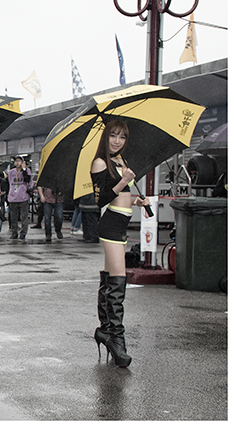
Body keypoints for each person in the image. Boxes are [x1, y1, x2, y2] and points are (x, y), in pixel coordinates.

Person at [90, 120, 148, 368]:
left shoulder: (121, 161)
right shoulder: (100, 162)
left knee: (108, 279)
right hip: (111, 224)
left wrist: (137, 202)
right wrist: (124, 181)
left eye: (122, 137)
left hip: (122, 222)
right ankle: (117, 339)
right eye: (113, 136)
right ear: (105, 137)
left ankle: (105, 330)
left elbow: (122, 196)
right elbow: (101, 198)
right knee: (118, 280)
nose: (117, 141)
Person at [6, 156, 32, 240]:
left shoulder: (27, 171)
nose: (17, 163)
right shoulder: (11, 172)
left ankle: (23, 233)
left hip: (23, 197)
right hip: (13, 197)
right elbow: (8, 183)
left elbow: (28, 180)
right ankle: (14, 232)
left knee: (24, 216)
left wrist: (24, 170)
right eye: (16, 161)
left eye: (19, 161)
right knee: (13, 216)